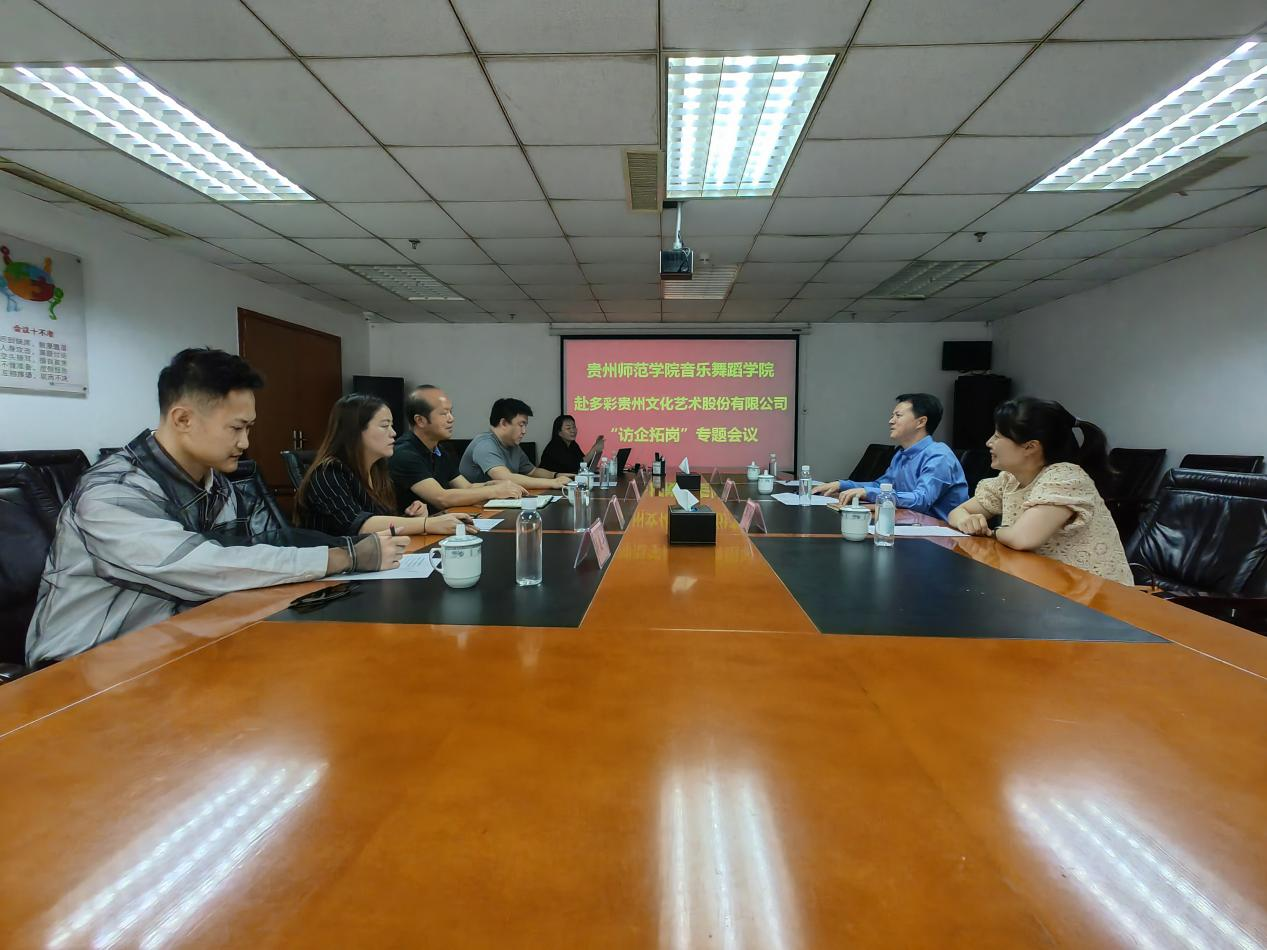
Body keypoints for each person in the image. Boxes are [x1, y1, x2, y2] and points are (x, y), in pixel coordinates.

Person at [26, 348, 408, 666]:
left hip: (178, 646)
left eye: (249, 428)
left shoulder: (216, 482)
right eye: (236, 428)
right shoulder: (111, 494)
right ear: (183, 419)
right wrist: (343, 557)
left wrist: (348, 549)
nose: (245, 442)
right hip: (83, 667)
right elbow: (208, 567)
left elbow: (267, 543)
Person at [946, 397, 1133, 585]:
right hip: (1045, 584)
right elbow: (957, 512)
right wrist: (966, 521)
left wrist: (990, 532)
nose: (989, 442)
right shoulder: (1010, 479)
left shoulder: (1065, 477)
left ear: (1030, 447)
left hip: (1096, 593)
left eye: (998, 436)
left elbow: (1022, 538)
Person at [295, 393, 475, 537]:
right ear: (356, 431)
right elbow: (359, 525)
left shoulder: (377, 470)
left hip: (374, 559)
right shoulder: (329, 472)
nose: (393, 433)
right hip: (334, 565)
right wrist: (425, 524)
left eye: (392, 425)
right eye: (384, 426)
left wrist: (410, 517)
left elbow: (380, 521)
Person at [813, 393, 969, 520]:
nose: (890, 421)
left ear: (921, 422)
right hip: (910, 525)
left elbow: (922, 500)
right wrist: (841, 485)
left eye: (898, 415)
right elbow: (881, 486)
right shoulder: (901, 454)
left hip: (943, 535)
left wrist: (867, 493)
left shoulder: (939, 455)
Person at [388, 384, 525, 512]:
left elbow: (467, 487)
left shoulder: (439, 450)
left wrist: (495, 485)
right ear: (420, 420)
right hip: (414, 526)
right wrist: (494, 491)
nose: (451, 418)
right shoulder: (404, 454)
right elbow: (441, 498)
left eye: (451, 412)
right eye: (444, 413)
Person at [459, 398, 572, 490]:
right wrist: (553, 483)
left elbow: (532, 471)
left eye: (525, 426)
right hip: (473, 507)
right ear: (503, 423)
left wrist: (556, 475)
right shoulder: (485, 445)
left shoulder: (512, 445)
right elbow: (506, 478)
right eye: (521, 425)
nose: (524, 431)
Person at [540, 414, 605, 475]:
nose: (573, 431)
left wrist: (595, 447)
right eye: (568, 428)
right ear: (559, 432)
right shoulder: (555, 447)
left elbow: (584, 463)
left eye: (574, 427)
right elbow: (575, 467)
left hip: (566, 480)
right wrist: (594, 449)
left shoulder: (573, 444)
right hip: (550, 481)